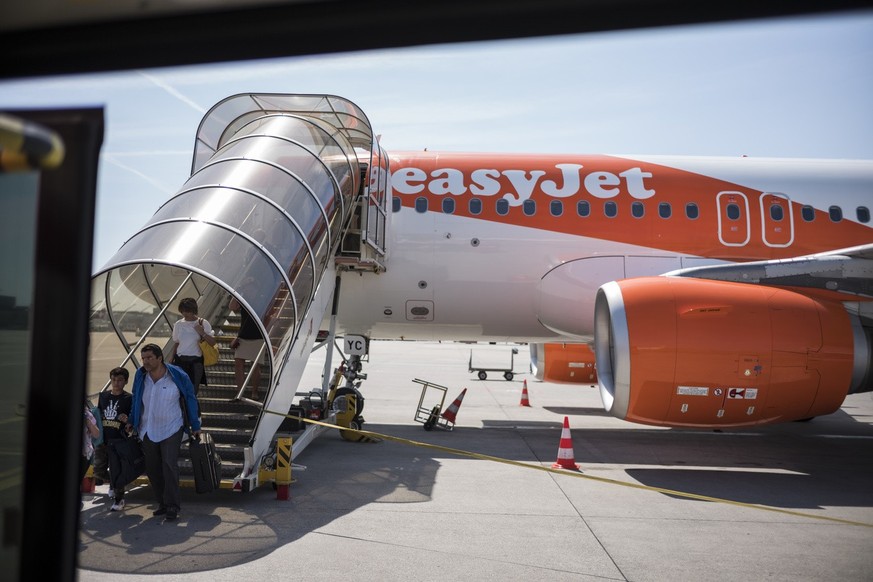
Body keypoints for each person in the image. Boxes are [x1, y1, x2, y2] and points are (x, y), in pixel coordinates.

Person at [128, 343, 201, 521]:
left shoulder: (177, 375)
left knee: (169, 465)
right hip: (147, 429)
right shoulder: (141, 375)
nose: (145, 361)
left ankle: (173, 506)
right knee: (153, 469)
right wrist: (132, 420)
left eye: (149, 358)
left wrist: (195, 425)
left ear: (159, 358)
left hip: (172, 427)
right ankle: (162, 502)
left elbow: (190, 398)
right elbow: (136, 398)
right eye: (143, 358)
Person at [93, 367, 133, 511]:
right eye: (114, 380)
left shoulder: (129, 398)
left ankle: (119, 498)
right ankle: (113, 483)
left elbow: (132, 420)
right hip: (103, 439)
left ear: (126, 381)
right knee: (98, 470)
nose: (116, 383)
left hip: (118, 440)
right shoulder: (103, 396)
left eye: (120, 380)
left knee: (117, 468)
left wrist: (127, 420)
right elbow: (98, 415)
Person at [168, 297, 216, 395]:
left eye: (187, 311)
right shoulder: (178, 324)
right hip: (180, 360)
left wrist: (202, 333)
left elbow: (212, 343)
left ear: (193, 310)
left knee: (193, 390)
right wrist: (172, 358)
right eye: (182, 311)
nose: (185, 314)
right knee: (179, 390)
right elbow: (177, 342)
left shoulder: (202, 323)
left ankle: (191, 409)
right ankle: (182, 409)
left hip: (196, 361)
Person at [229, 295, 266, 400]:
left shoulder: (264, 297)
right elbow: (232, 307)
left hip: (259, 336)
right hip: (243, 335)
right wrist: (237, 291)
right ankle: (240, 393)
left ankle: (254, 392)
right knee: (238, 363)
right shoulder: (244, 298)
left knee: (255, 366)